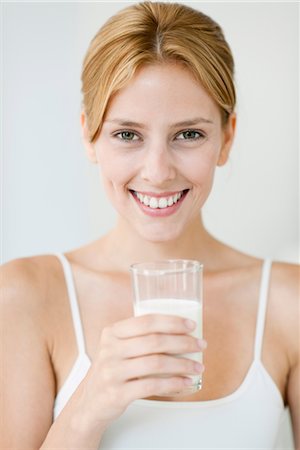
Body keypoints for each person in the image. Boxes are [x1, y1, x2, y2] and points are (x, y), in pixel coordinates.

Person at [1, 2, 299, 449]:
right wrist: (88, 408)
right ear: (89, 136)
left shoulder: (288, 302)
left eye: (188, 134)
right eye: (127, 135)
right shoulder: (25, 295)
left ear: (227, 137)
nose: (158, 171)